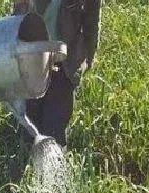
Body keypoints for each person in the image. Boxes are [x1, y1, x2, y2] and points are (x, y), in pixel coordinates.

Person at [13, 0, 101, 148]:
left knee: (54, 131)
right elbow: (17, 16)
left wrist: (86, 60)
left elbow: (92, 22)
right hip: (30, 64)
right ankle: (27, 168)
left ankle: (55, 169)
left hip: (63, 66)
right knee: (29, 130)